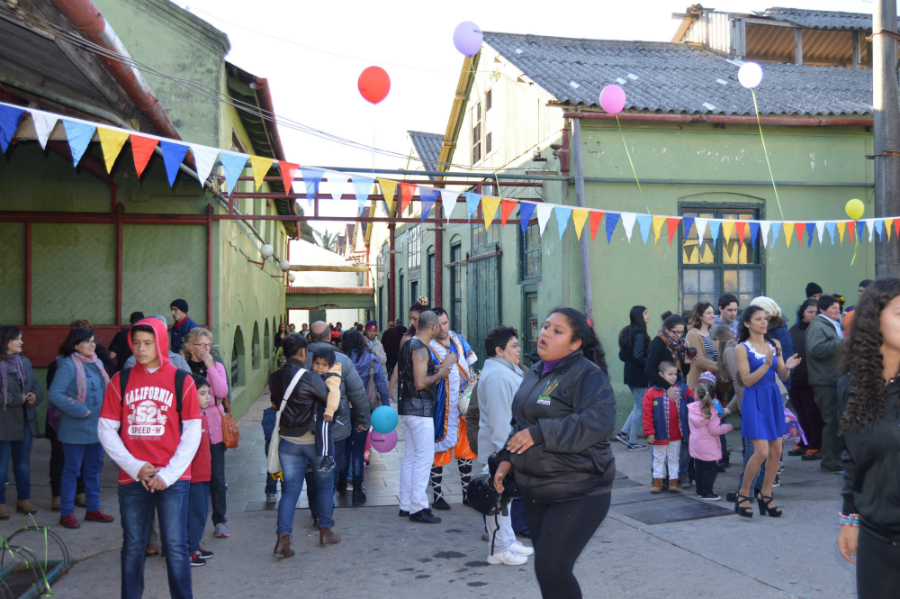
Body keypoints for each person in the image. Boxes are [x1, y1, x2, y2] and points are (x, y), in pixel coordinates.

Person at [493, 308, 615, 599]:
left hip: (580, 489)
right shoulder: (535, 371)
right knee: (546, 572)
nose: (545, 333)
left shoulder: (587, 375)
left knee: (553, 568)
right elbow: (522, 423)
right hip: (537, 487)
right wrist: (506, 458)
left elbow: (598, 422)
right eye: (546, 326)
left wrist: (540, 433)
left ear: (576, 344)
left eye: (557, 331)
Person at [98, 317, 202, 598]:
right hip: (133, 478)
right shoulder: (121, 380)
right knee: (133, 545)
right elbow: (106, 428)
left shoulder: (182, 380)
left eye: (147, 343)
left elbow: (193, 431)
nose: (140, 349)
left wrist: (168, 474)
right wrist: (133, 466)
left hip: (173, 477)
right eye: (136, 343)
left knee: (176, 546)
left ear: (161, 343)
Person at [835, 277, 900, 597]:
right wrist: (850, 517)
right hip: (876, 537)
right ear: (874, 321)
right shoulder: (852, 386)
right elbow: (853, 459)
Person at [268, 334, 338, 558]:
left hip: (287, 442)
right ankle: (325, 530)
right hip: (314, 442)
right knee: (325, 486)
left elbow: (275, 403)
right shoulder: (309, 377)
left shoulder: (275, 377)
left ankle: (283, 539)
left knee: (289, 491)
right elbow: (329, 403)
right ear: (302, 353)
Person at [733, 306, 801, 518]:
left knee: (776, 452)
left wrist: (787, 366)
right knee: (761, 452)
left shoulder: (775, 344)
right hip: (754, 399)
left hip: (772, 398)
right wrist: (766, 364)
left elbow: (781, 373)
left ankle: (766, 494)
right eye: (758, 319)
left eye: (766, 319)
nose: (764, 322)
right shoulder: (741, 348)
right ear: (747, 323)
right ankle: (743, 494)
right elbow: (747, 380)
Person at [48, 327, 115, 528]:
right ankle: (66, 512)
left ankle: (93, 509)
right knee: (72, 471)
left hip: (97, 428)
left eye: (93, 341)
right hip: (75, 429)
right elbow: (55, 394)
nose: (92, 344)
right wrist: (80, 410)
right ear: (76, 345)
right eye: (87, 341)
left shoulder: (98, 363)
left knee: (94, 470)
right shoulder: (68, 365)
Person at [476, 326, 531, 565]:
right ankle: (498, 549)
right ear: (499, 351)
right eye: (514, 346)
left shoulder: (506, 371)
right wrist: (504, 455)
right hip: (499, 451)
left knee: (505, 498)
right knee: (496, 499)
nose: (519, 349)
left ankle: (507, 540)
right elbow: (500, 422)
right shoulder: (498, 376)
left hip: (506, 449)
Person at [398, 311, 452, 524]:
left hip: (408, 408)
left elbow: (413, 372)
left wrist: (435, 367)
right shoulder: (420, 347)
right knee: (423, 458)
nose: (441, 329)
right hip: (420, 409)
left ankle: (406, 503)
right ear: (433, 327)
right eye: (439, 325)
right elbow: (420, 383)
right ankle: (418, 508)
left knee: (411, 456)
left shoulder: (408, 343)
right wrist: (440, 374)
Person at [305, 322, 370, 499]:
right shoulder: (342, 360)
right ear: (329, 337)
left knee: (310, 470)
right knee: (332, 467)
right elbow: (357, 394)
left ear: (310, 338)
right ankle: (325, 509)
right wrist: (364, 420)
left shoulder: (301, 358)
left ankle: (316, 510)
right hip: (336, 427)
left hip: (305, 427)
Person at [180, 327, 230, 539]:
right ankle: (188, 519)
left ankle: (220, 521)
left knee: (217, 478)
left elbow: (221, 392)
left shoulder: (216, 365)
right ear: (190, 346)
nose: (206, 348)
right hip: (187, 429)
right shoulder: (181, 366)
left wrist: (210, 367)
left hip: (214, 431)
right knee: (189, 476)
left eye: (209, 344)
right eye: (201, 344)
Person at [428, 307, 478, 510]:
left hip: (463, 404)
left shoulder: (458, 340)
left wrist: (472, 386)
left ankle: (467, 493)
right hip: (442, 405)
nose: (442, 328)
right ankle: (438, 496)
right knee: (439, 450)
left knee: (465, 450)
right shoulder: (427, 346)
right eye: (438, 324)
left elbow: (470, 365)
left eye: (445, 323)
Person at [341, 330, 390, 505]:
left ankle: (341, 482)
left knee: (344, 446)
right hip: (364, 408)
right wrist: (386, 406)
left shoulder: (339, 359)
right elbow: (381, 383)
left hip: (343, 409)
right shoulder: (371, 359)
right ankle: (357, 488)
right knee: (358, 447)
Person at [645, 312, 694, 487]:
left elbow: (682, 374)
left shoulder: (679, 345)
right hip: (661, 391)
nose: (678, 336)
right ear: (666, 329)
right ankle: (658, 477)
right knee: (659, 437)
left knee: (676, 435)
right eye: (675, 332)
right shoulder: (658, 343)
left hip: (677, 390)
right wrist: (667, 387)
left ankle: (676, 476)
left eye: (681, 332)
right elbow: (649, 370)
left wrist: (687, 361)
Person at [0, 326, 41, 519]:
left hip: (24, 420)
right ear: (5, 340)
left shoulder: (24, 362)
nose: (21, 342)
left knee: (23, 463)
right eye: (17, 339)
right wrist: (18, 398)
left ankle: (23, 499)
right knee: (1, 465)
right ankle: (0, 503)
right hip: (3, 422)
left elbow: (35, 386)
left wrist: (34, 395)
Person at [805, 294, 844, 475]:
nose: (838, 310)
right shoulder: (819, 326)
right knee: (831, 423)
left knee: (836, 422)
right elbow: (815, 349)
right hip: (825, 380)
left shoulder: (831, 324)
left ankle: (836, 459)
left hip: (833, 378)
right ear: (822, 310)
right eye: (834, 307)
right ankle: (830, 463)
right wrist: (840, 344)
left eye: (838, 307)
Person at [643, 362, 693, 493]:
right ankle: (658, 480)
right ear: (661, 375)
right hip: (659, 433)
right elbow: (647, 414)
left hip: (676, 432)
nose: (674, 377)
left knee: (673, 457)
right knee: (658, 457)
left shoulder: (682, 389)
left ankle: (673, 480)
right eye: (670, 374)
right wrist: (649, 432)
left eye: (675, 374)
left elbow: (694, 399)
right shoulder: (651, 393)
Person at [787, 299, 824, 461]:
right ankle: (804, 442)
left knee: (812, 414)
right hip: (794, 379)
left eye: (816, 312)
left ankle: (815, 445)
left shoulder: (819, 329)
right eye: (810, 311)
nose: (813, 315)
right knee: (800, 413)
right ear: (802, 313)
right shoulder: (793, 330)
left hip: (812, 380)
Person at [688, 371, 733, 501]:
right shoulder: (711, 411)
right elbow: (715, 430)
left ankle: (699, 490)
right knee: (710, 470)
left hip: (696, 445)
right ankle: (707, 492)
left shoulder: (692, 408)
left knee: (699, 469)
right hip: (708, 447)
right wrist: (728, 427)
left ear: (697, 394)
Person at [187, 375, 214, 567]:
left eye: (209, 393)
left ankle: (194, 544)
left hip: (203, 474)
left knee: (202, 511)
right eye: (202, 394)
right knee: (195, 513)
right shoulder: (190, 420)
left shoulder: (202, 415)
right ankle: (188, 550)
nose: (208, 398)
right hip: (193, 477)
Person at [615, 306, 650, 451]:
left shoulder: (626, 331)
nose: (648, 316)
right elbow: (639, 356)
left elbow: (622, 356)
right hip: (639, 375)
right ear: (639, 316)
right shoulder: (640, 333)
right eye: (646, 313)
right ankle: (632, 442)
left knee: (637, 406)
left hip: (629, 373)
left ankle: (623, 433)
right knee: (639, 407)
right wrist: (651, 364)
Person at [310, 346, 342, 473]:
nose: (319, 367)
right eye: (317, 363)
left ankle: (328, 458)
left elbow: (334, 393)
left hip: (327, 410)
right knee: (316, 430)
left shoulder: (332, 377)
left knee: (323, 427)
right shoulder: (313, 373)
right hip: (317, 410)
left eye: (324, 365)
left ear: (330, 366)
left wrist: (330, 410)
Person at [124, 316, 192, 373]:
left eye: (147, 343)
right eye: (136, 343)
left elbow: (190, 384)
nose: (141, 348)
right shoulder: (132, 362)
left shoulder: (178, 360)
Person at [686, 302, 719, 390]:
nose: (713, 316)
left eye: (713, 312)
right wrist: (722, 367)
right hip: (699, 384)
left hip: (714, 382)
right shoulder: (692, 334)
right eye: (709, 313)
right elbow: (699, 361)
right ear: (699, 316)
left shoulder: (713, 333)